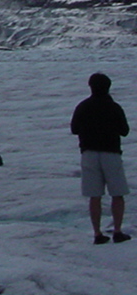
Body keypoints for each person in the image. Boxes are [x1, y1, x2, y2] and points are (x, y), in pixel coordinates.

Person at [71, 72, 131, 244]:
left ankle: (97, 233)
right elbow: (124, 131)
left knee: (94, 196)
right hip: (111, 153)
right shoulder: (114, 107)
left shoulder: (83, 106)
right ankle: (117, 231)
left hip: (89, 153)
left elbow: (75, 129)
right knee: (117, 193)